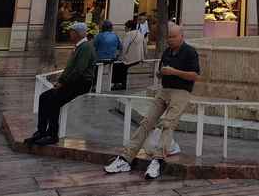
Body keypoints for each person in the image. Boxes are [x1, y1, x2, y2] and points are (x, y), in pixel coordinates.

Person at [104, 22, 200, 181]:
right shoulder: (167, 52)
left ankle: (158, 160)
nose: (170, 40)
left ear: (182, 36)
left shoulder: (190, 52)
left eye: (173, 37)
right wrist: (161, 74)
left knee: (168, 124)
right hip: (164, 90)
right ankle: (126, 158)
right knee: (146, 121)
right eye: (168, 37)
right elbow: (161, 71)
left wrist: (174, 72)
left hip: (181, 92)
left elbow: (195, 75)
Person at [27, 22, 96, 146]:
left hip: (81, 83)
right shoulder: (79, 46)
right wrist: (61, 81)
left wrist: (63, 83)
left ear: (78, 33)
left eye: (72, 31)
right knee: (44, 97)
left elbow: (79, 70)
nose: (70, 33)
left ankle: (52, 135)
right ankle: (41, 131)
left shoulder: (85, 47)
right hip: (73, 81)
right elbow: (70, 68)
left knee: (54, 101)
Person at [112, 19, 147, 91]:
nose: (125, 28)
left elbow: (124, 47)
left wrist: (120, 57)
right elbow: (145, 46)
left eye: (126, 27)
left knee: (117, 65)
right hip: (139, 57)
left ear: (129, 27)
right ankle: (121, 84)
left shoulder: (129, 34)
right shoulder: (140, 34)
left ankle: (118, 84)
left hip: (131, 58)